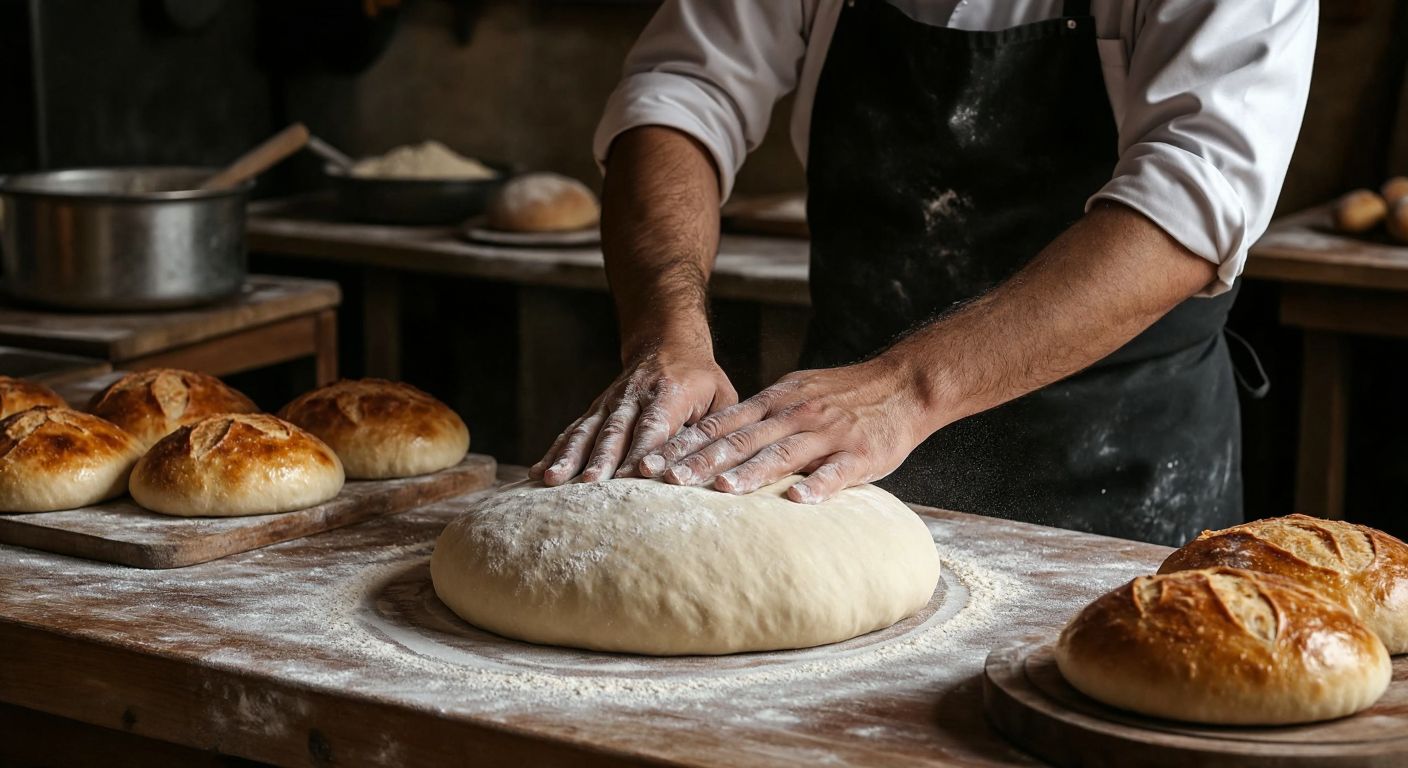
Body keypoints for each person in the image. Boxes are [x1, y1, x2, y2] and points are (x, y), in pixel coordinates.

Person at [531, 0, 1317, 546]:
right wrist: (666, 330)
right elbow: (683, 91)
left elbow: (1192, 194)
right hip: (838, 463)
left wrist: (905, 391)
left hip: (1118, 466)